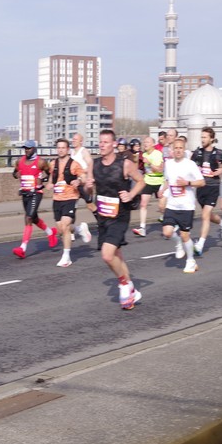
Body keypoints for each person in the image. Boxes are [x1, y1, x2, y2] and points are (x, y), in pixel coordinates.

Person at [79, 128, 145, 309]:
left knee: (107, 255)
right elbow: (88, 191)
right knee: (116, 255)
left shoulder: (125, 164)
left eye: (106, 142)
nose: (102, 145)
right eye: (100, 142)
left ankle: (124, 284)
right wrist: (87, 186)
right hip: (103, 215)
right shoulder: (94, 164)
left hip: (120, 214)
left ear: (114, 144)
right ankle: (131, 290)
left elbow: (141, 181)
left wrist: (131, 194)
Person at [161, 138, 203, 273]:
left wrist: (188, 183)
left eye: (180, 148)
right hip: (172, 205)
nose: (178, 150)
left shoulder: (190, 164)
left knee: (185, 235)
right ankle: (178, 242)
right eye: (176, 148)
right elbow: (167, 181)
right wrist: (163, 194)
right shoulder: (168, 164)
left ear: (184, 150)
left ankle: (191, 261)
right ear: (172, 150)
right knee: (167, 232)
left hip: (186, 206)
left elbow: (201, 182)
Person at [11, 139, 56, 259]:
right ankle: (50, 232)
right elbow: (14, 173)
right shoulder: (20, 161)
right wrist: (16, 175)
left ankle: (22, 248)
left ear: (34, 149)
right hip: (25, 193)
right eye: (25, 148)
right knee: (34, 218)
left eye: (29, 148)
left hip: (36, 193)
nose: (27, 150)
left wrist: (43, 181)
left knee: (28, 218)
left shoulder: (41, 162)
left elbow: (51, 174)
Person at [49, 138, 89, 268]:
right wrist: (49, 184)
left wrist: (78, 181)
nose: (60, 150)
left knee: (65, 225)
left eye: (63, 148)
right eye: (58, 148)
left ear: (67, 149)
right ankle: (79, 228)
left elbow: (83, 176)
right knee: (61, 229)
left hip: (70, 197)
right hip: (57, 199)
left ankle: (66, 257)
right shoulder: (53, 163)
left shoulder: (74, 164)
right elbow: (51, 178)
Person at [189, 127, 222, 258]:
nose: (202, 139)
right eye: (202, 137)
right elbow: (189, 165)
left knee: (205, 215)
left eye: (205, 137)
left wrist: (221, 170)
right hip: (201, 187)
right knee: (208, 215)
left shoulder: (218, 153)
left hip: (213, 187)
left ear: (211, 139)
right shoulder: (197, 152)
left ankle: (200, 244)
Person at [136, 137, 164, 236]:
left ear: (153, 144)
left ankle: (168, 221)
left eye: (147, 142)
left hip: (159, 181)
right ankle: (142, 228)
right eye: (144, 142)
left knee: (162, 206)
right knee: (143, 204)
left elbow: (160, 170)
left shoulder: (158, 154)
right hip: (148, 181)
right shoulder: (144, 154)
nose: (145, 144)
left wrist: (149, 163)